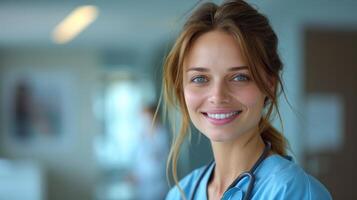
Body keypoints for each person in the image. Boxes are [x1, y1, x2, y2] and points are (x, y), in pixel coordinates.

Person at [162, 0, 332, 199]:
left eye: (239, 77)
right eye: (200, 78)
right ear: (181, 88)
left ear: (269, 85)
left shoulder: (294, 192)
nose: (217, 96)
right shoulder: (180, 194)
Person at [130, 104, 169, 200]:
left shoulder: (161, 134)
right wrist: (135, 174)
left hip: (156, 186)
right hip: (143, 186)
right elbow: (140, 159)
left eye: (146, 117)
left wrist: (140, 176)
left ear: (154, 116)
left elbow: (155, 162)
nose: (144, 121)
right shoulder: (143, 134)